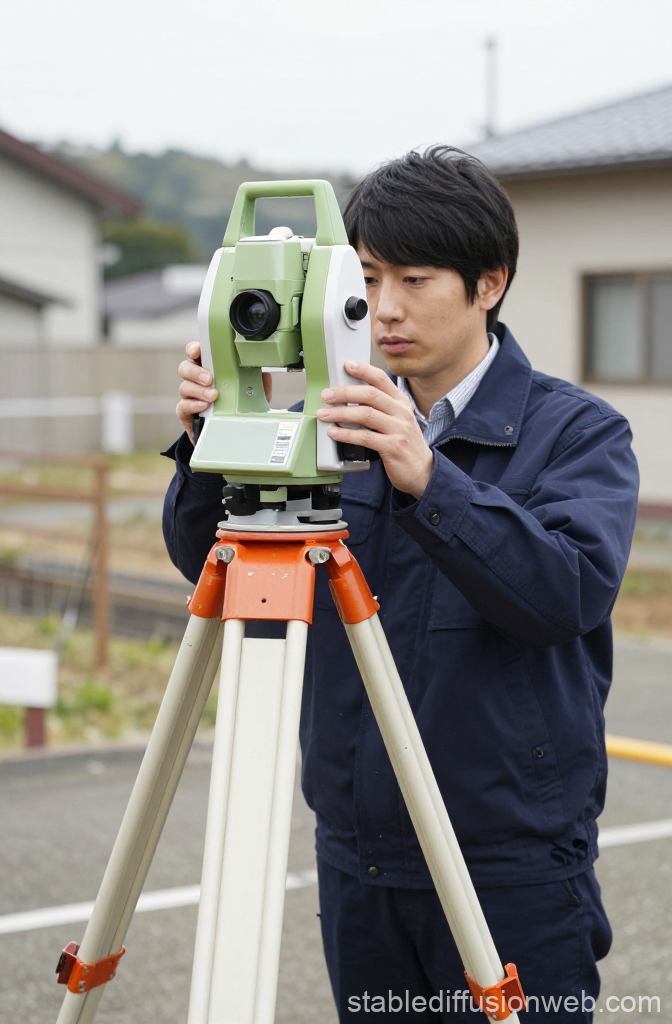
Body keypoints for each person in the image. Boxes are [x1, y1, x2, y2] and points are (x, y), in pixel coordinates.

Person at [162, 147, 639, 1022]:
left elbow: (566, 595)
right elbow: (210, 567)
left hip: (509, 865)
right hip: (359, 860)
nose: (384, 308)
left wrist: (432, 478)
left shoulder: (578, 433)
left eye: (415, 279)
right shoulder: (324, 419)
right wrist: (212, 442)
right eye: (369, 277)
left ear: (488, 284)